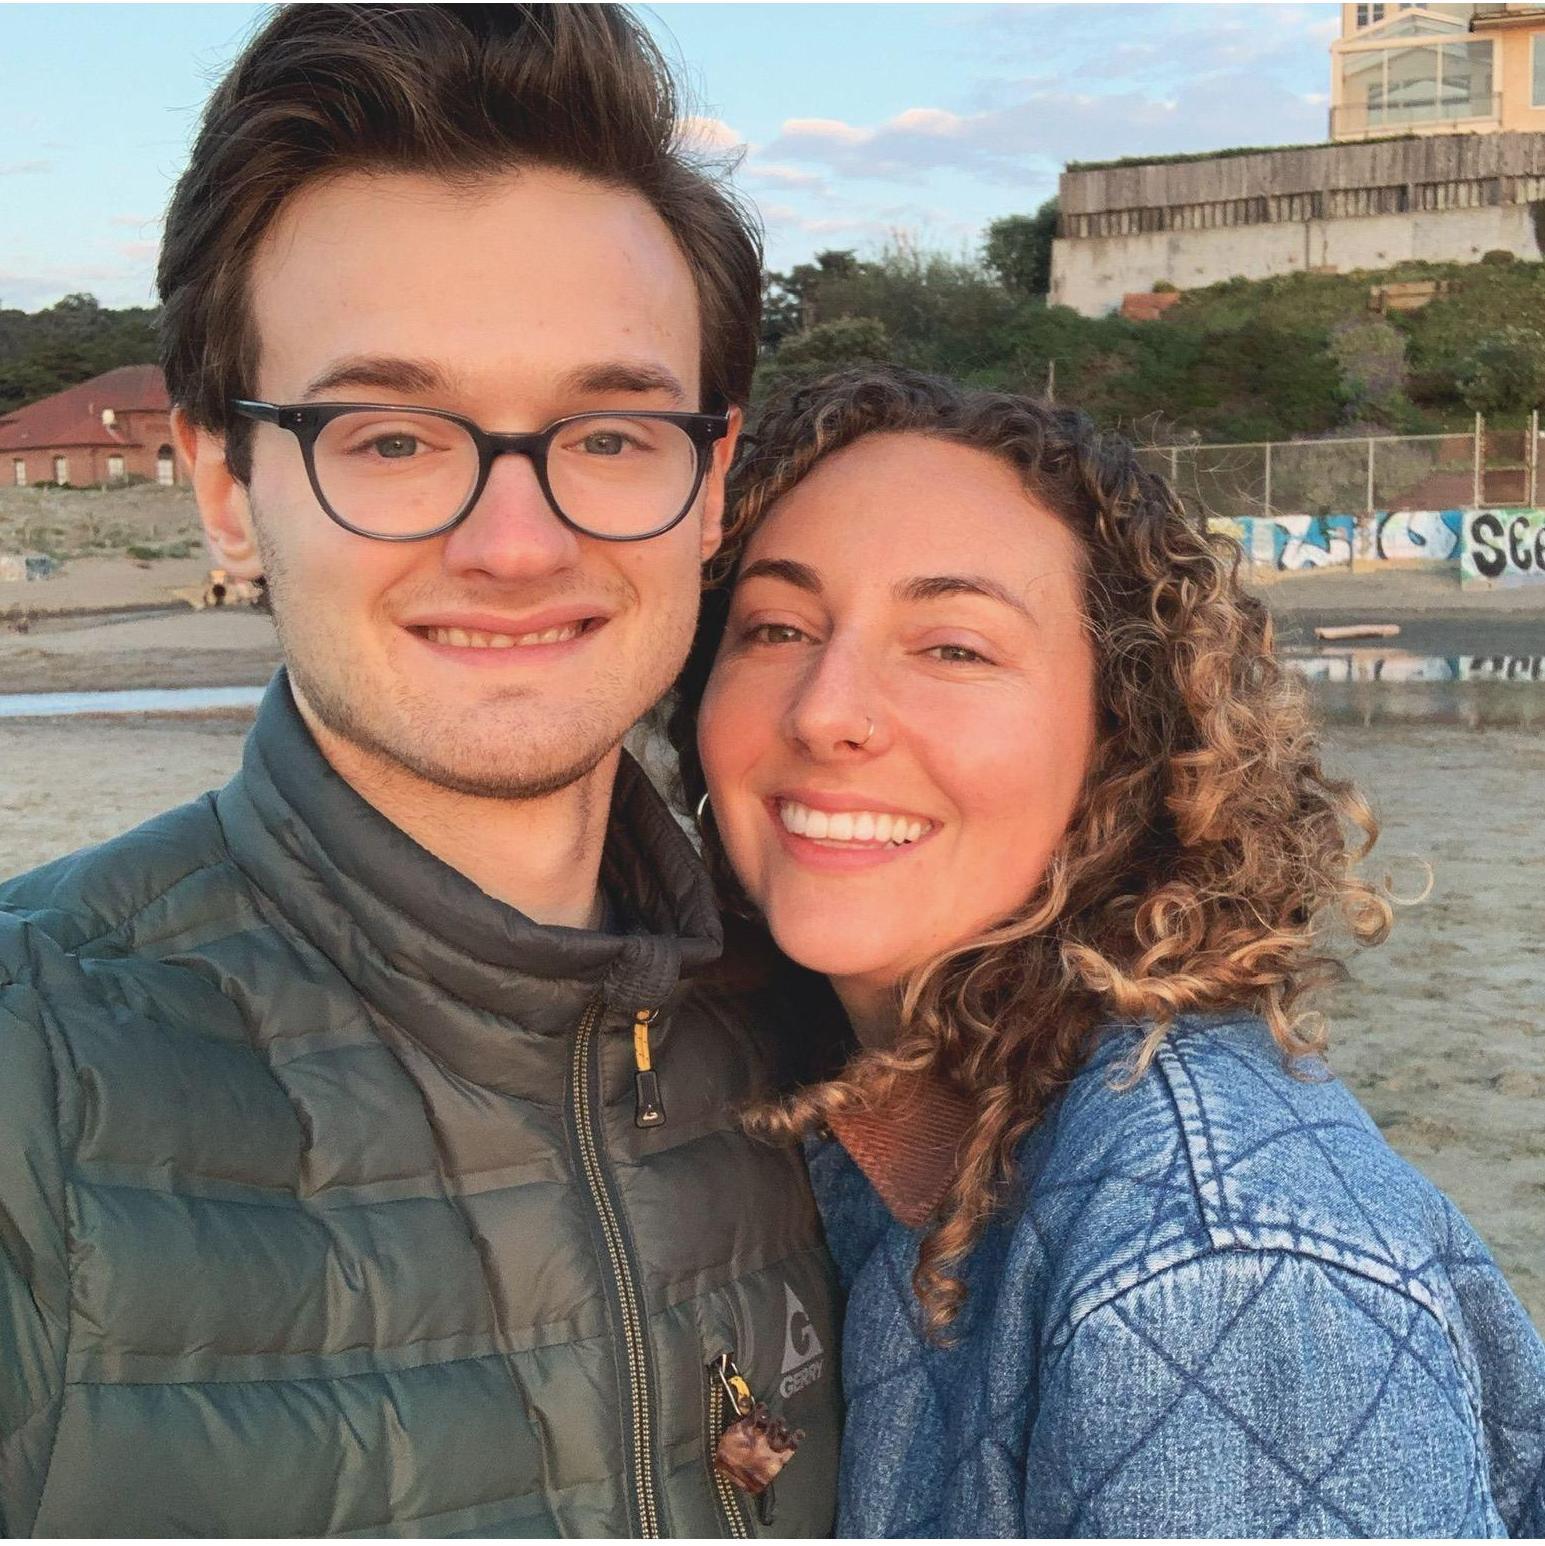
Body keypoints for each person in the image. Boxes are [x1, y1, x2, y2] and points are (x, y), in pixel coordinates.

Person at [0, 7, 841, 1536]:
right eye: (388, 438)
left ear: (708, 485)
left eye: (606, 431)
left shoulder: (836, 1029)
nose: (513, 545)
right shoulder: (29, 1087)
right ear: (227, 493)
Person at [675, 365, 1545, 1538]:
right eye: (776, 626)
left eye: (954, 648)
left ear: (1123, 736)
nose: (827, 709)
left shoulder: (1214, 1268)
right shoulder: (838, 1095)